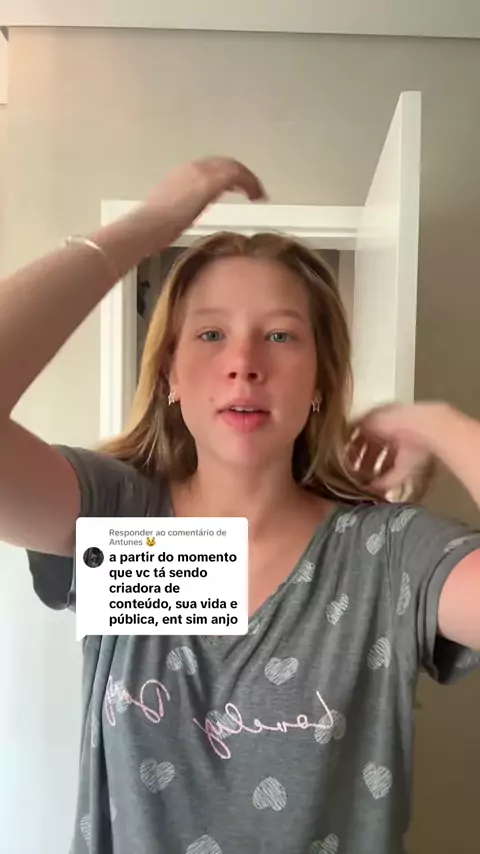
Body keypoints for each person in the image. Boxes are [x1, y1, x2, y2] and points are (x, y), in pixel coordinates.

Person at [1, 157, 479, 854]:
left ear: (320, 381)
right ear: (168, 374)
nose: (244, 363)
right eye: (210, 334)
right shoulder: (117, 519)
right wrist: (141, 230)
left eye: (281, 335)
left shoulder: (389, 557)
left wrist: (440, 425)